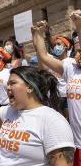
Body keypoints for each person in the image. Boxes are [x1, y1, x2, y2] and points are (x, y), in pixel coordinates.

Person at [0, 65, 75, 165]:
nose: (7, 87)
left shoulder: (52, 121)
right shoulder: (9, 111)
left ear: (30, 87)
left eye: (12, 83)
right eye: (7, 83)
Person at [31, 12, 81, 166]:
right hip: (78, 144)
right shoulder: (71, 67)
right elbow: (44, 57)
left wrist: (79, 25)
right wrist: (38, 35)